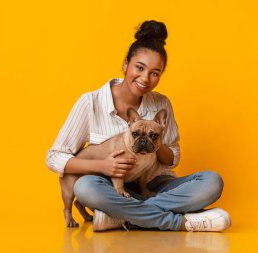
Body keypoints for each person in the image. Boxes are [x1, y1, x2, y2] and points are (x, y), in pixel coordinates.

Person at [46, 20, 231, 232]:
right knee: (86, 188)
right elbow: (54, 157)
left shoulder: (161, 104)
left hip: (153, 186)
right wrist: (103, 166)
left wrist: (154, 139)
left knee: (211, 182)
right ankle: (179, 221)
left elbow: (172, 159)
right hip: (110, 187)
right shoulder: (91, 102)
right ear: (126, 64)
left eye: (155, 73)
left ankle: (120, 215)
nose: (145, 78)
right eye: (139, 68)